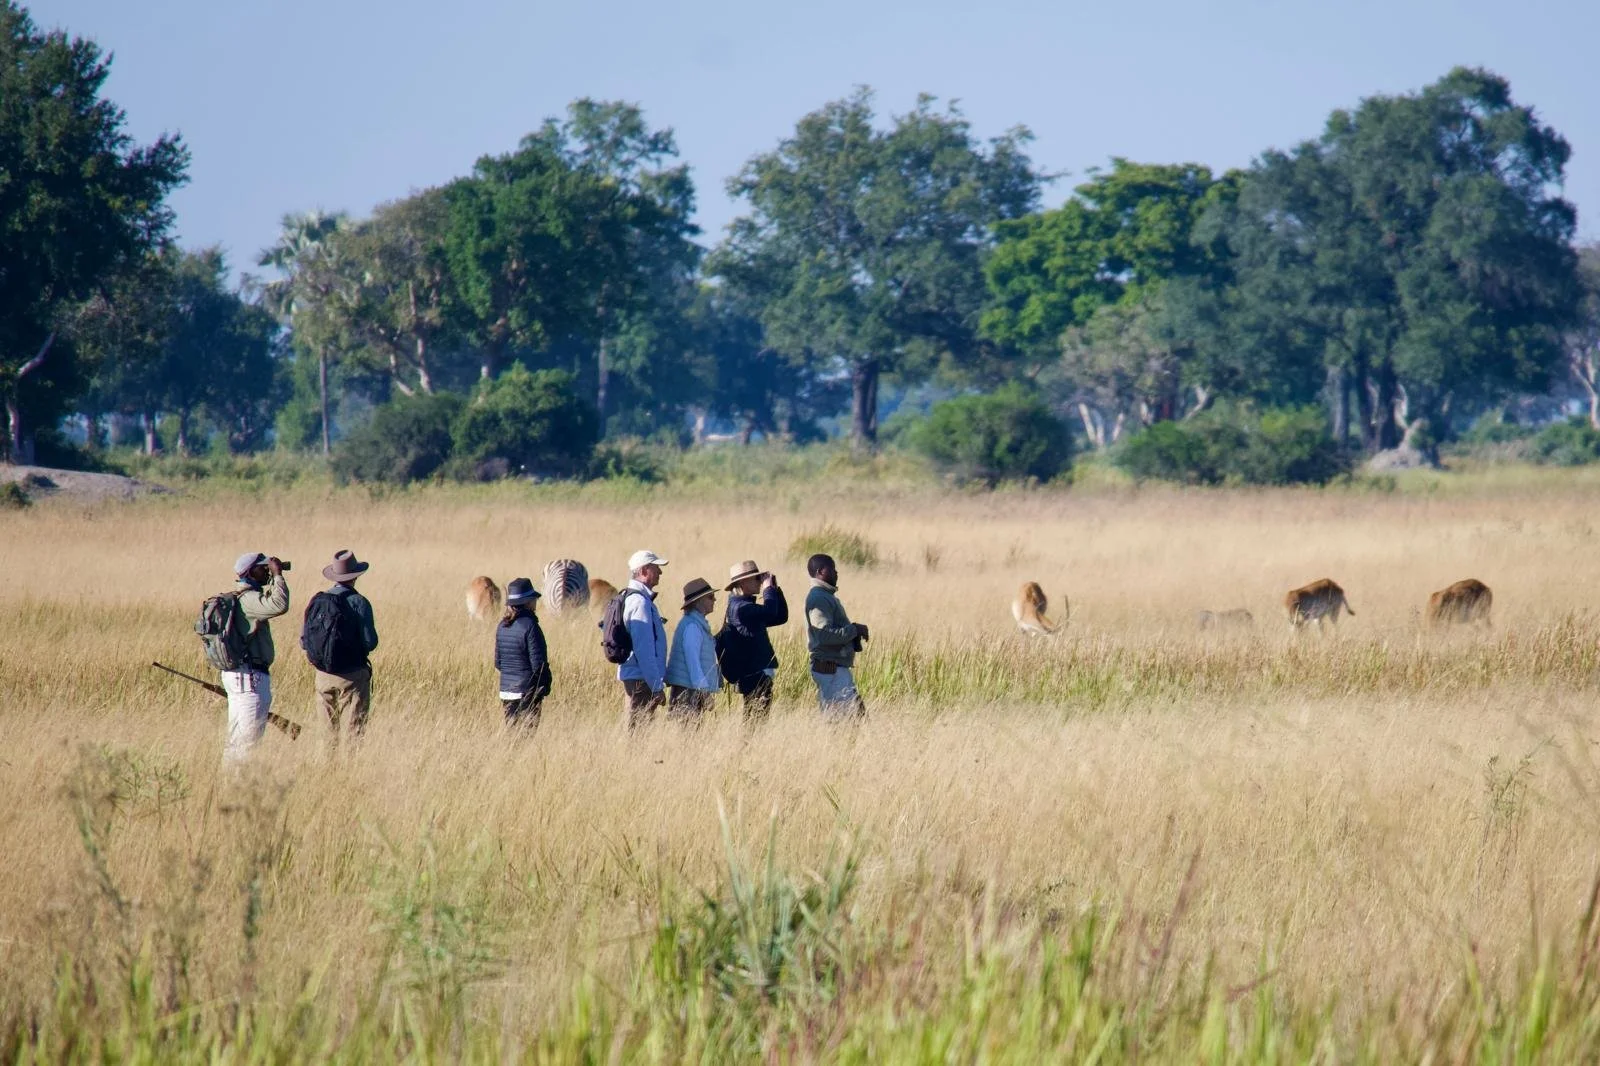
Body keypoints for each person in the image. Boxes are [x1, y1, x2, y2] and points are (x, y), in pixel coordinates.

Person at [302, 549, 379, 748]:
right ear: (355, 577)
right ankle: (349, 772)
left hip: (322, 675)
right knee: (354, 730)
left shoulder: (318, 601)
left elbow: (304, 641)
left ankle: (327, 772)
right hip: (352, 675)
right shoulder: (359, 602)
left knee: (327, 732)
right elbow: (370, 641)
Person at [223, 552, 290, 764]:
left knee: (237, 742)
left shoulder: (243, 597)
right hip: (250, 677)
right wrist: (278, 576)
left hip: (241, 675)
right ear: (250, 572)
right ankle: (240, 790)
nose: (266, 572)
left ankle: (228, 786)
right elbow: (279, 605)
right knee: (248, 745)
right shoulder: (249, 599)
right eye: (263, 568)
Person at [718, 559, 788, 720]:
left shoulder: (745, 606)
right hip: (753, 674)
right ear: (743, 582)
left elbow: (780, 617)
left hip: (755, 673)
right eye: (756, 578)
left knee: (755, 720)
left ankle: (749, 744)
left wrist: (775, 590)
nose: (760, 582)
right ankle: (748, 745)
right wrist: (768, 589)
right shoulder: (742, 608)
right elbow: (770, 612)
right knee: (755, 722)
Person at [804, 553, 868, 721]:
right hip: (830, 669)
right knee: (845, 723)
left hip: (834, 668)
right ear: (820, 571)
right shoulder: (819, 598)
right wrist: (854, 630)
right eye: (832, 569)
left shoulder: (825, 596)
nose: (836, 573)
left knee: (855, 718)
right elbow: (824, 634)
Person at [618, 549, 669, 728]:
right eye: (656, 568)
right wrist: (656, 686)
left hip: (639, 676)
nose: (660, 573)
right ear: (644, 570)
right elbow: (644, 650)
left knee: (636, 729)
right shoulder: (639, 602)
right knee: (638, 733)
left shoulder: (635, 598)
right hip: (641, 679)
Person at [495, 577, 551, 728]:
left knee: (512, 736)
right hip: (527, 690)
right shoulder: (531, 625)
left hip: (506, 691)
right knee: (527, 735)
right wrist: (544, 685)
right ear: (527, 602)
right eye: (533, 598)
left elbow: (498, 663)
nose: (535, 602)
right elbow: (538, 664)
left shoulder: (502, 626)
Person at [665, 577, 719, 722]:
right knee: (688, 736)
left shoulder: (695, 624)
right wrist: (705, 693)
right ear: (698, 601)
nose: (714, 600)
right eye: (710, 597)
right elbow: (693, 663)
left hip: (689, 689)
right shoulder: (692, 627)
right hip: (687, 692)